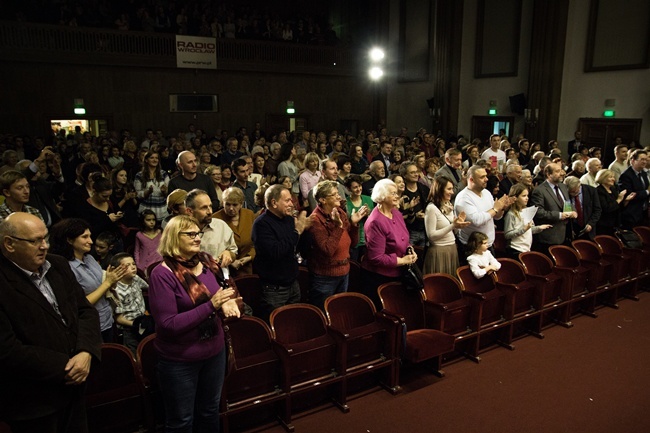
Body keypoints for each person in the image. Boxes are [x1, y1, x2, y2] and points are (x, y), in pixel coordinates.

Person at [0, 213, 102, 433]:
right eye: (35, 241)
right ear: (9, 243)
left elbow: (85, 311)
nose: (44, 246)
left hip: (75, 392)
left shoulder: (57, 264)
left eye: (45, 238)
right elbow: (7, 349)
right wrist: (68, 366)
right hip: (33, 401)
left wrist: (85, 352)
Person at [148, 215, 240, 432]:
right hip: (180, 360)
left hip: (214, 352)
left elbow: (226, 290)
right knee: (182, 421)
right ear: (173, 237)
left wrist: (230, 302)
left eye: (198, 233)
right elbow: (168, 324)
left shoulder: (207, 261)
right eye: (190, 234)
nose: (197, 237)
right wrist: (212, 305)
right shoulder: (162, 274)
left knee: (209, 411)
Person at [49, 218, 128, 342]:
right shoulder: (65, 268)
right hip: (91, 327)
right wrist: (107, 283)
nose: (90, 241)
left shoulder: (90, 258)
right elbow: (78, 304)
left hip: (107, 319)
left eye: (90, 236)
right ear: (69, 240)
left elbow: (103, 286)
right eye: (84, 237)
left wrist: (112, 281)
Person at [304, 180, 367, 310]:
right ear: (322, 200)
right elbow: (328, 250)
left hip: (344, 271)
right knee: (324, 313)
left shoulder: (340, 212)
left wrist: (354, 224)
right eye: (334, 194)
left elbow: (353, 243)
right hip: (325, 277)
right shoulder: (315, 220)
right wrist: (338, 227)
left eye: (337, 193)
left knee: (339, 311)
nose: (339, 196)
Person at [251, 184, 310, 321]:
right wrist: (297, 232)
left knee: (294, 322)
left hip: (293, 283)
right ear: (274, 203)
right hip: (274, 289)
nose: (292, 204)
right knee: (277, 324)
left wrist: (306, 230)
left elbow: (300, 248)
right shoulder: (261, 224)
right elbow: (276, 252)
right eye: (287, 200)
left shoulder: (289, 219)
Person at [360, 178, 418, 309]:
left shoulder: (396, 213)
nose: (397, 196)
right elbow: (376, 258)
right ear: (382, 197)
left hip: (398, 274)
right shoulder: (376, 222)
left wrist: (409, 249)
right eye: (393, 193)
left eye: (396, 193)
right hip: (379, 279)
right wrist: (403, 261)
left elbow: (403, 239)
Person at [454, 165, 513, 255]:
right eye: (482, 177)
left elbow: (495, 216)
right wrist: (495, 208)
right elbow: (477, 220)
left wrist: (502, 208)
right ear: (471, 179)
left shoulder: (486, 192)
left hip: (488, 245)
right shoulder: (463, 198)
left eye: (486, 176)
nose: (486, 179)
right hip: (472, 248)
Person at [423, 176, 470, 275]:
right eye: (449, 189)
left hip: (452, 248)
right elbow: (431, 236)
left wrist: (458, 225)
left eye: (452, 189)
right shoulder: (431, 208)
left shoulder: (448, 205)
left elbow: (452, 230)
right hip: (439, 252)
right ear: (439, 189)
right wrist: (453, 225)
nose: (452, 192)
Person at [106, 252, 149, 355]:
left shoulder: (136, 279)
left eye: (133, 264)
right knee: (134, 353)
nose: (133, 267)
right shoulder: (116, 290)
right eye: (127, 266)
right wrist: (136, 324)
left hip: (142, 321)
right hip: (129, 328)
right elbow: (118, 318)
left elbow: (149, 288)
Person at [184, 189, 237, 268]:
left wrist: (228, 254)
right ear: (189, 211)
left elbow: (233, 252)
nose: (210, 212)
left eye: (210, 206)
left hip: (219, 277)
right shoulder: (180, 231)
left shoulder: (221, 226)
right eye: (204, 208)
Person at [530, 163, 577, 252]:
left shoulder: (563, 186)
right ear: (548, 174)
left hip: (566, 233)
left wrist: (573, 211)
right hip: (550, 236)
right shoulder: (539, 190)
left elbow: (567, 203)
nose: (562, 173)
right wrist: (559, 215)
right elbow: (538, 212)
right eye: (557, 171)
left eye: (561, 170)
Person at [212, 187, 256, 275]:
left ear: (241, 204)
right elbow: (213, 248)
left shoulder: (249, 214)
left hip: (249, 268)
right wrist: (231, 261)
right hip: (225, 270)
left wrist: (250, 256)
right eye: (227, 204)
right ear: (223, 203)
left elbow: (257, 241)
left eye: (235, 205)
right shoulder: (215, 219)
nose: (231, 208)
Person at [504, 183, 552, 258]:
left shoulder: (527, 211)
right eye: (524, 196)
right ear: (515, 198)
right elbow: (507, 235)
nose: (527, 198)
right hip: (515, 249)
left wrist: (539, 228)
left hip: (526, 249)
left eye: (527, 196)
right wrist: (523, 229)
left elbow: (529, 229)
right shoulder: (511, 214)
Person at [596, 169, 635, 236]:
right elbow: (607, 208)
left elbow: (618, 207)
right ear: (603, 178)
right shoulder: (598, 191)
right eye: (610, 177)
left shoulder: (613, 189)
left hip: (615, 224)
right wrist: (619, 199)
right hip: (604, 225)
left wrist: (626, 200)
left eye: (613, 177)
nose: (613, 179)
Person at [134, 150, 170, 221]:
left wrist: (164, 191)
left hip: (162, 210)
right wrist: (148, 192)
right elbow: (138, 194)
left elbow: (168, 193)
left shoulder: (163, 174)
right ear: (146, 160)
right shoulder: (139, 175)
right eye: (152, 158)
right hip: (146, 210)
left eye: (156, 158)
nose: (155, 160)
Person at [618, 149, 650, 229]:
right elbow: (629, 195)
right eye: (642, 159)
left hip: (643, 212)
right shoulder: (626, 175)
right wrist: (647, 192)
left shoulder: (643, 173)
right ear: (633, 160)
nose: (644, 162)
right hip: (631, 214)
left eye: (646, 159)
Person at [400, 162, 429, 247]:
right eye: (412, 172)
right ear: (404, 175)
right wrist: (414, 214)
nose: (416, 174)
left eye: (416, 172)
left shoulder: (424, 189)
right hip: (409, 230)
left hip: (424, 229)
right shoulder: (401, 192)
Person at [345, 174, 374, 261]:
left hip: (368, 240)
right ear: (348, 189)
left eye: (360, 186)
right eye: (355, 187)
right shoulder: (346, 203)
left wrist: (368, 215)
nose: (358, 189)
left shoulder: (369, 199)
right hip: (353, 242)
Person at [563, 176, 602, 240]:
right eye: (571, 192)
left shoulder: (591, 191)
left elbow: (597, 210)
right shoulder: (564, 193)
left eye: (575, 191)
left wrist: (591, 224)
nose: (573, 194)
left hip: (588, 225)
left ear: (579, 185)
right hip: (572, 228)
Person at [134, 209, 163, 275]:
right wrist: (138, 265)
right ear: (143, 221)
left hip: (159, 263)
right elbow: (137, 251)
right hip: (144, 265)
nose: (152, 222)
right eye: (148, 220)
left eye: (153, 220)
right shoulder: (139, 235)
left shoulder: (160, 232)